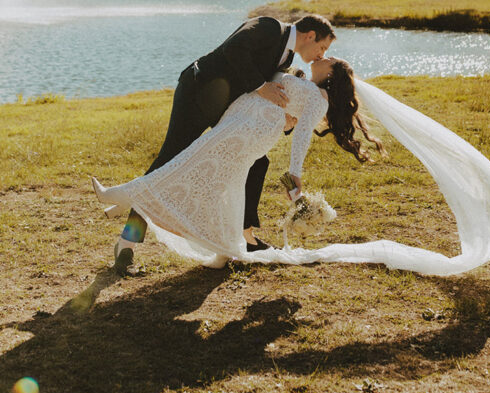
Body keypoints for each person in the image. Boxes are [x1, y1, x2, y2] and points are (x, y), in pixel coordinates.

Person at [92, 57, 382, 266]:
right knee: (222, 185)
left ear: (332, 73)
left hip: (246, 131)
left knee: (186, 167)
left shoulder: (319, 97)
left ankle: (120, 197)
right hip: (246, 128)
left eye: (329, 57)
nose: (323, 55)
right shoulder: (306, 83)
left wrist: (295, 174)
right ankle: (224, 248)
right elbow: (287, 112)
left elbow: (302, 133)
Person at [108, 14, 335, 273]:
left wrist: (287, 118)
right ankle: (127, 243)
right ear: (310, 36)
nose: (321, 54)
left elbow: (271, 94)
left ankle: (243, 237)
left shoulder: (287, 57)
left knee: (257, 162)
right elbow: (233, 49)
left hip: (226, 109)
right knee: (169, 162)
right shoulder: (270, 27)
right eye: (323, 47)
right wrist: (262, 87)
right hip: (198, 92)